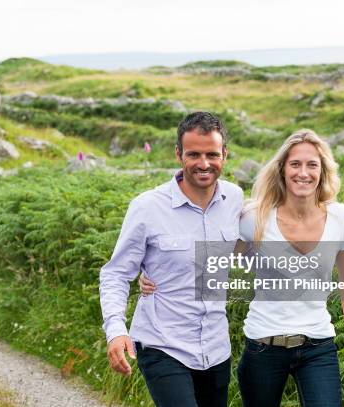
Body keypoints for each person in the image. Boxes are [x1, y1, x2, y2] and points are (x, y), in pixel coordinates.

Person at [141, 129, 344, 406]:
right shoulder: (255, 217)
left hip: (317, 346)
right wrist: (156, 271)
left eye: (312, 165)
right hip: (263, 346)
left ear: (323, 171)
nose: (303, 173)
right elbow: (212, 260)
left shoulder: (340, 218)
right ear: (282, 169)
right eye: (295, 164)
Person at [99, 111, 243, 407]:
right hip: (163, 343)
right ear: (178, 154)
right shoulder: (148, 207)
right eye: (194, 154)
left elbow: (254, 248)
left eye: (212, 154)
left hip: (216, 346)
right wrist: (116, 331)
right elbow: (115, 274)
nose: (204, 164)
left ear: (225, 154)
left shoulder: (235, 199)